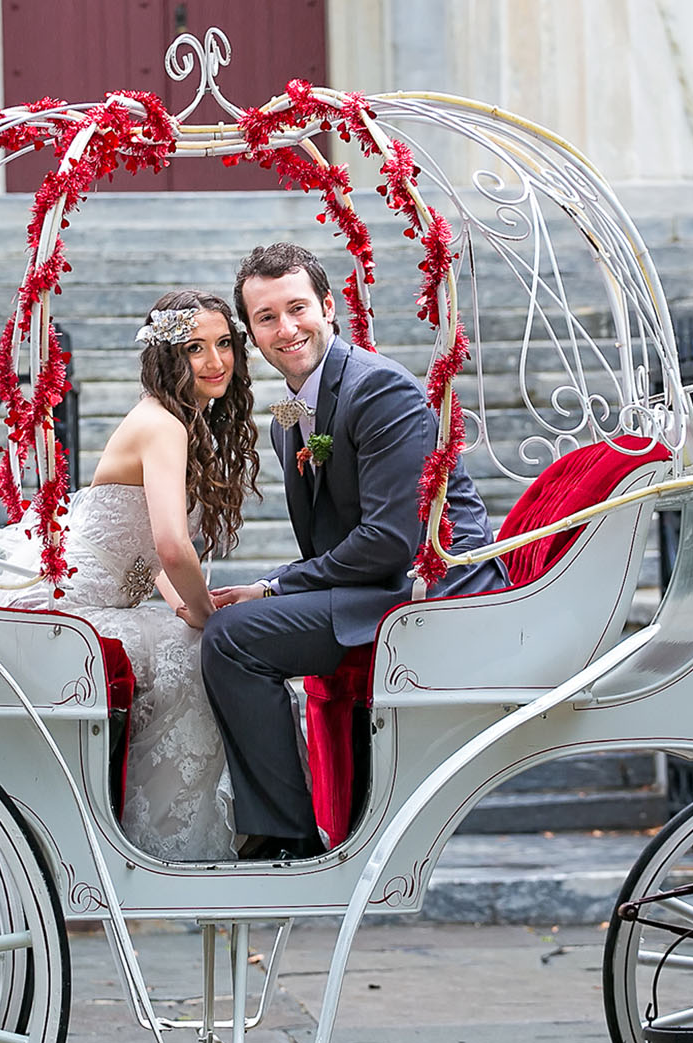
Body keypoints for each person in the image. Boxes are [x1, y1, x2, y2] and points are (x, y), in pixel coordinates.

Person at [201, 243, 507, 861]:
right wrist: (275, 587)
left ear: (329, 307)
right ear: (252, 334)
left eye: (297, 308)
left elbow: (392, 541)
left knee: (233, 637)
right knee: (227, 624)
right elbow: (334, 539)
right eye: (266, 318)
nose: (286, 329)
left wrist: (274, 587)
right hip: (375, 579)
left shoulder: (378, 391)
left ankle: (284, 836)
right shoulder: (290, 411)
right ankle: (284, 820)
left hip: (432, 586)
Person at [0, 289, 258, 862]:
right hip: (69, 600)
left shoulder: (182, 420)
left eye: (224, 344)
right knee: (199, 652)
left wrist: (184, 606)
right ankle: (166, 843)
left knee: (194, 639)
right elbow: (172, 546)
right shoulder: (164, 425)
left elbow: (155, 553)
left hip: (115, 598)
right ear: (168, 356)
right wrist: (202, 615)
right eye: (196, 348)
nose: (216, 361)